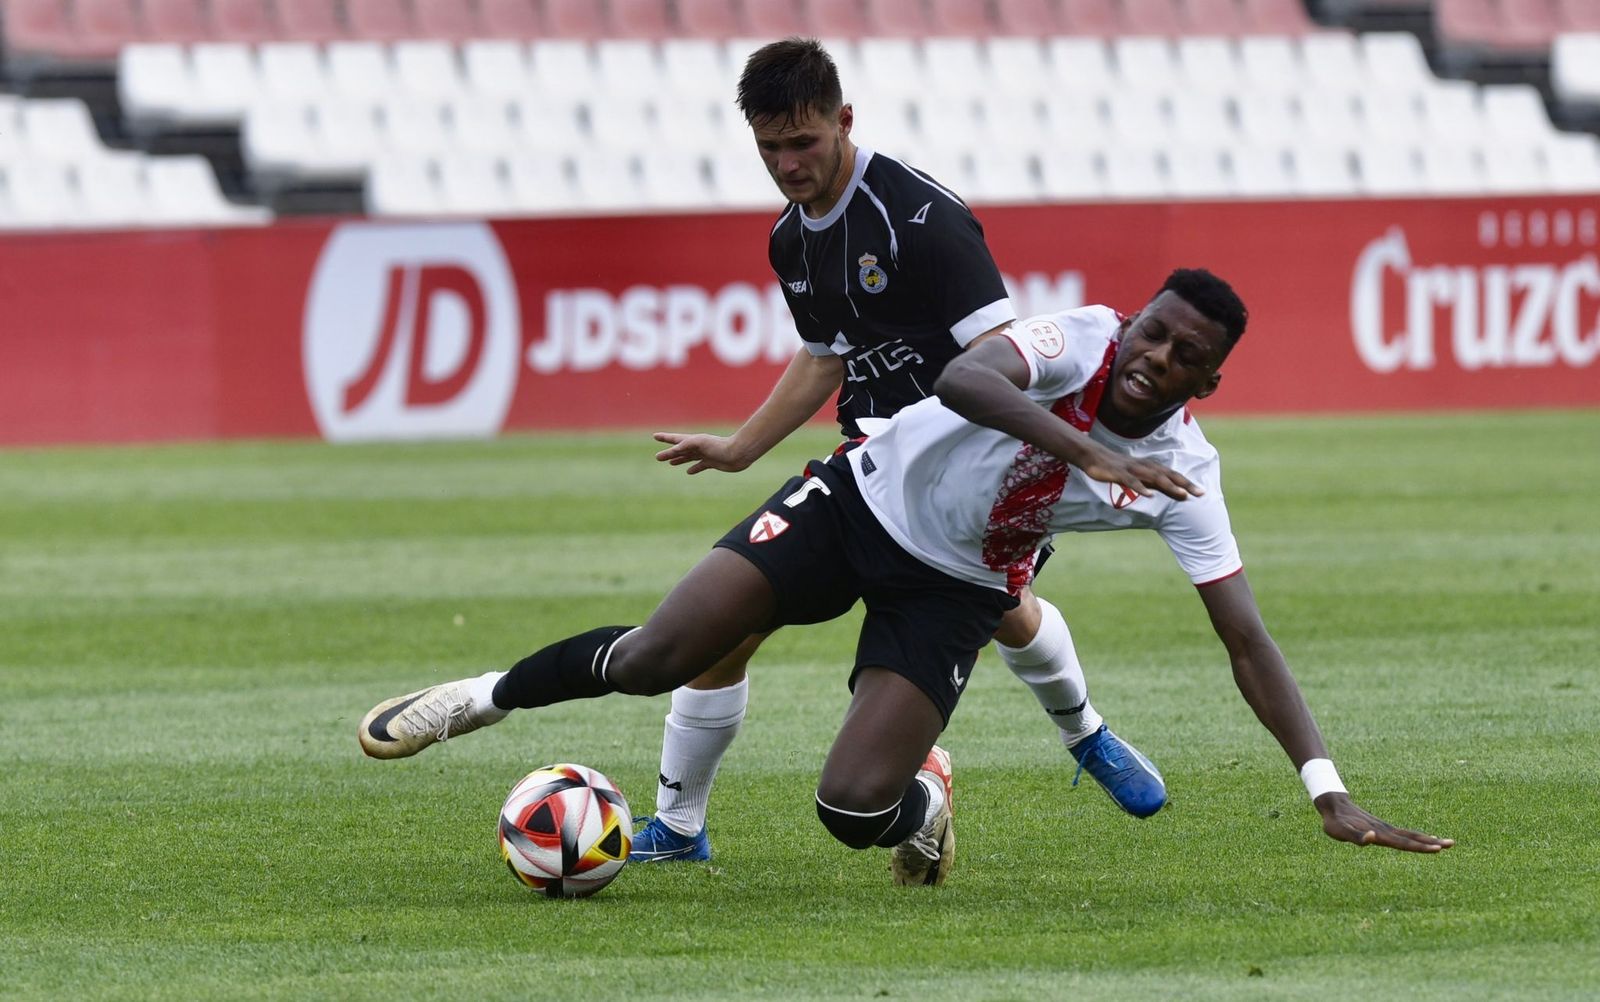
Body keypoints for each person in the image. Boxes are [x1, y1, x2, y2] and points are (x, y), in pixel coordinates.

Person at [358, 268, 1454, 890]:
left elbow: (1245, 638)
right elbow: (964, 376)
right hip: (853, 501)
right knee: (655, 658)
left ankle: (922, 798)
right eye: (1151, 331)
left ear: (1209, 379)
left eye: (1179, 355)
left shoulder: (1187, 477)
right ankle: (480, 699)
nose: (1151, 357)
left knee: (848, 809)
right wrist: (1085, 453)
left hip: (955, 592)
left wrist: (1329, 793)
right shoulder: (1074, 340)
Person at [634, 37, 1161, 862]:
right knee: (725, 628)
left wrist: (1030, 478)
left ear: (844, 120)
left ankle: (1084, 734)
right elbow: (824, 354)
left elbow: (1003, 358)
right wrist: (741, 447)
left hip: (964, 476)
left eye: (803, 142)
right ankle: (677, 825)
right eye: (770, 148)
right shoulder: (791, 237)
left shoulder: (922, 219)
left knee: (1005, 615)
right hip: (866, 466)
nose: (787, 164)